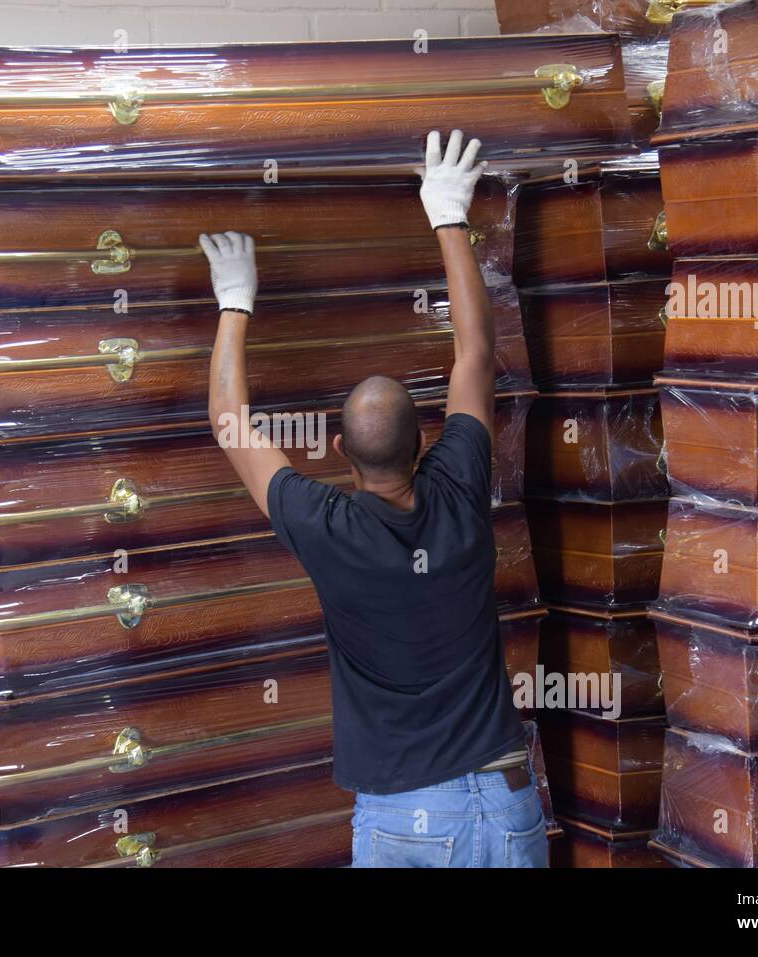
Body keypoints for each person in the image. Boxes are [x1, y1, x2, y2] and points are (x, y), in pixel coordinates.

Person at [199, 130, 547, 868]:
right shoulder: (458, 488)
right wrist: (446, 213)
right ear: (427, 443)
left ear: (336, 455)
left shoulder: (326, 528)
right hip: (512, 801)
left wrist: (236, 300)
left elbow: (231, 427)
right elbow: (476, 353)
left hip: (407, 819)